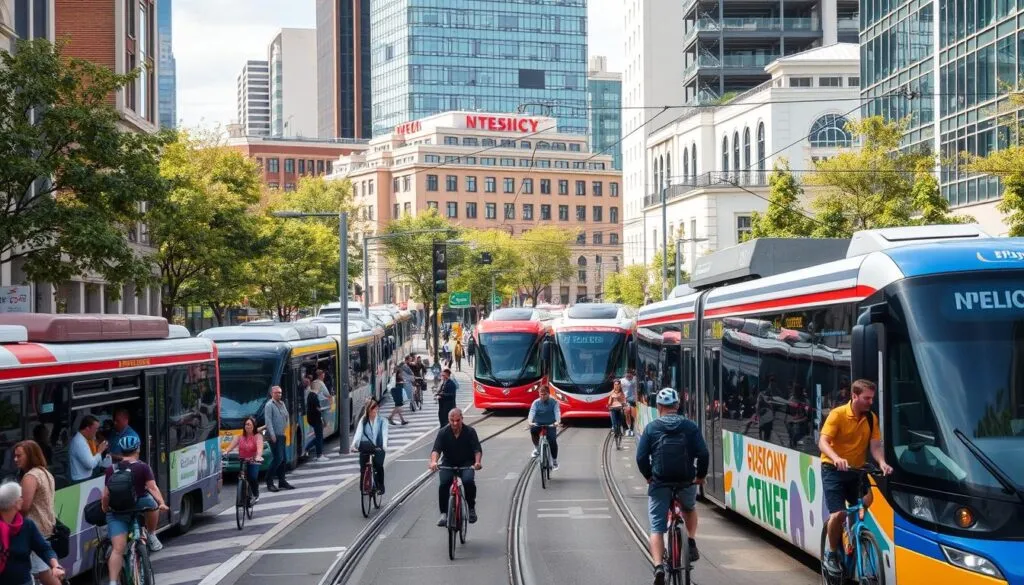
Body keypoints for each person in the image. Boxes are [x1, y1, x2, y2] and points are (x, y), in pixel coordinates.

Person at [818, 379, 893, 576]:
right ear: (854, 396)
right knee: (838, 514)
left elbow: (875, 446)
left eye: (872, 398)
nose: (871, 402)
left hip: (855, 470)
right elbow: (823, 442)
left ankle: (852, 532)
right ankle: (831, 553)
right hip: (833, 469)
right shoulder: (838, 414)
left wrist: (882, 463)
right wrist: (836, 458)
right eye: (867, 398)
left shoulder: (871, 418)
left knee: (868, 499)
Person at [636, 388, 709, 585]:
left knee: (657, 527)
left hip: (660, 482)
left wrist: (649, 476)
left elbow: (641, 457)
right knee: (689, 508)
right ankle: (690, 540)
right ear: (677, 405)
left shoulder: (651, 428)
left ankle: (659, 567)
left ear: (659, 407)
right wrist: (700, 477)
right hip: (686, 480)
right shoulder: (690, 426)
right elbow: (703, 454)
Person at [102, 434, 169, 569]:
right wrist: (161, 503)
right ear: (138, 449)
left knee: (118, 545)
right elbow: (152, 488)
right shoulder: (143, 467)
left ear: (121, 450)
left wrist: (105, 508)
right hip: (139, 503)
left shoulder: (111, 469)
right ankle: (151, 534)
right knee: (152, 505)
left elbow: (106, 494)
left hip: (118, 506)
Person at [13, 441, 59, 585]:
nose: (15, 459)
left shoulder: (30, 477)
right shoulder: (44, 472)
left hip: (35, 529)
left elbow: (23, 507)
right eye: (15, 456)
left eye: (19, 456)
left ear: (30, 455)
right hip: (46, 526)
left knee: (44, 574)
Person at [0, 482, 64, 585]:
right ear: (15, 503)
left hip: (24, 581)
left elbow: (44, 548)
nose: (22, 499)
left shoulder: (27, 525)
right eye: (20, 497)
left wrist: (55, 566)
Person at [428, 408, 482, 527]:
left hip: (466, 463)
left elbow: (477, 449)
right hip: (448, 463)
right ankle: (443, 513)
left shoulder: (470, 431)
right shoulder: (443, 432)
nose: (455, 423)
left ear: (462, 418)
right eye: (452, 420)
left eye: (458, 420)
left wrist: (477, 463)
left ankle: (471, 509)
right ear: (448, 420)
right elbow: (436, 449)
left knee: (468, 481)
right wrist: (434, 462)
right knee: (444, 483)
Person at [222, 416, 264, 503]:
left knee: (252, 477)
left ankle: (255, 494)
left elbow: (260, 448)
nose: (247, 426)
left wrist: (258, 456)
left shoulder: (258, 436)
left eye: (249, 424)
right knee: (242, 477)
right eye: (246, 424)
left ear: (253, 426)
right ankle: (242, 493)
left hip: (254, 460)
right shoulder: (239, 437)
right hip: (243, 460)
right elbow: (231, 446)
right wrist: (226, 451)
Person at [351, 398, 389, 494]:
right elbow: (358, 433)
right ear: (368, 410)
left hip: (379, 446)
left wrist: (384, 445)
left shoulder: (382, 421)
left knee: (378, 465)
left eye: (376, 408)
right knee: (363, 467)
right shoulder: (363, 420)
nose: (375, 411)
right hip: (366, 447)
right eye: (372, 409)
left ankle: (380, 485)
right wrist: (354, 445)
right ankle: (364, 488)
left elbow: (384, 433)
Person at [263, 386, 294, 492]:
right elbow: (268, 421)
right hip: (274, 435)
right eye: (276, 393)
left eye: (280, 393)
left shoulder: (282, 403)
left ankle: (282, 481)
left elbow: (286, 415)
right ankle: (269, 481)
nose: (279, 394)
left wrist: (285, 428)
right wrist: (272, 435)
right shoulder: (269, 405)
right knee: (278, 458)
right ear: (272, 393)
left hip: (281, 434)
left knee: (283, 459)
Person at [527, 385, 561, 470]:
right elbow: (532, 412)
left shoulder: (554, 402)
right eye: (541, 394)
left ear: (549, 394)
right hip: (538, 423)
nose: (542, 396)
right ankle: (537, 448)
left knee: (552, 441)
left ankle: (554, 461)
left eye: (544, 394)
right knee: (533, 430)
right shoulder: (535, 403)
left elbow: (557, 412)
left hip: (551, 424)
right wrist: (530, 422)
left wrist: (557, 422)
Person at [70, 415, 108, 481]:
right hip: (81, 481)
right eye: (96, 429)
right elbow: (90, 464)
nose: (97, 431)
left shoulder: (84, 439)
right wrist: (99, 451)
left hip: (85, 478)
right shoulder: (79, 442)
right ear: (87, 429)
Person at [305, 378, 326, 461]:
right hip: (316, 419)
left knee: (318, 436)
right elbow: (318, 409)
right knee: (319, 437)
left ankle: (308, 448)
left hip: (312, 419)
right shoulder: (314, 396)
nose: (321, 388)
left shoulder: (310, 395)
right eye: (320, 386)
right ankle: (319, 455)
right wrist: (323, 410)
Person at [620, 369, 638, 436]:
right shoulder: (622, 381)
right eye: (627, 373)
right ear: (625, 374)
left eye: (630, 373)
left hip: (633, 400)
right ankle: (626, 429)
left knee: (633, 415)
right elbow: (619, 390)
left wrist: (636, 399)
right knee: (626, 413)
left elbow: (636, 390)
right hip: (625, 399)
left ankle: (631, 429)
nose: (629, 375)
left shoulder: (635, 380)